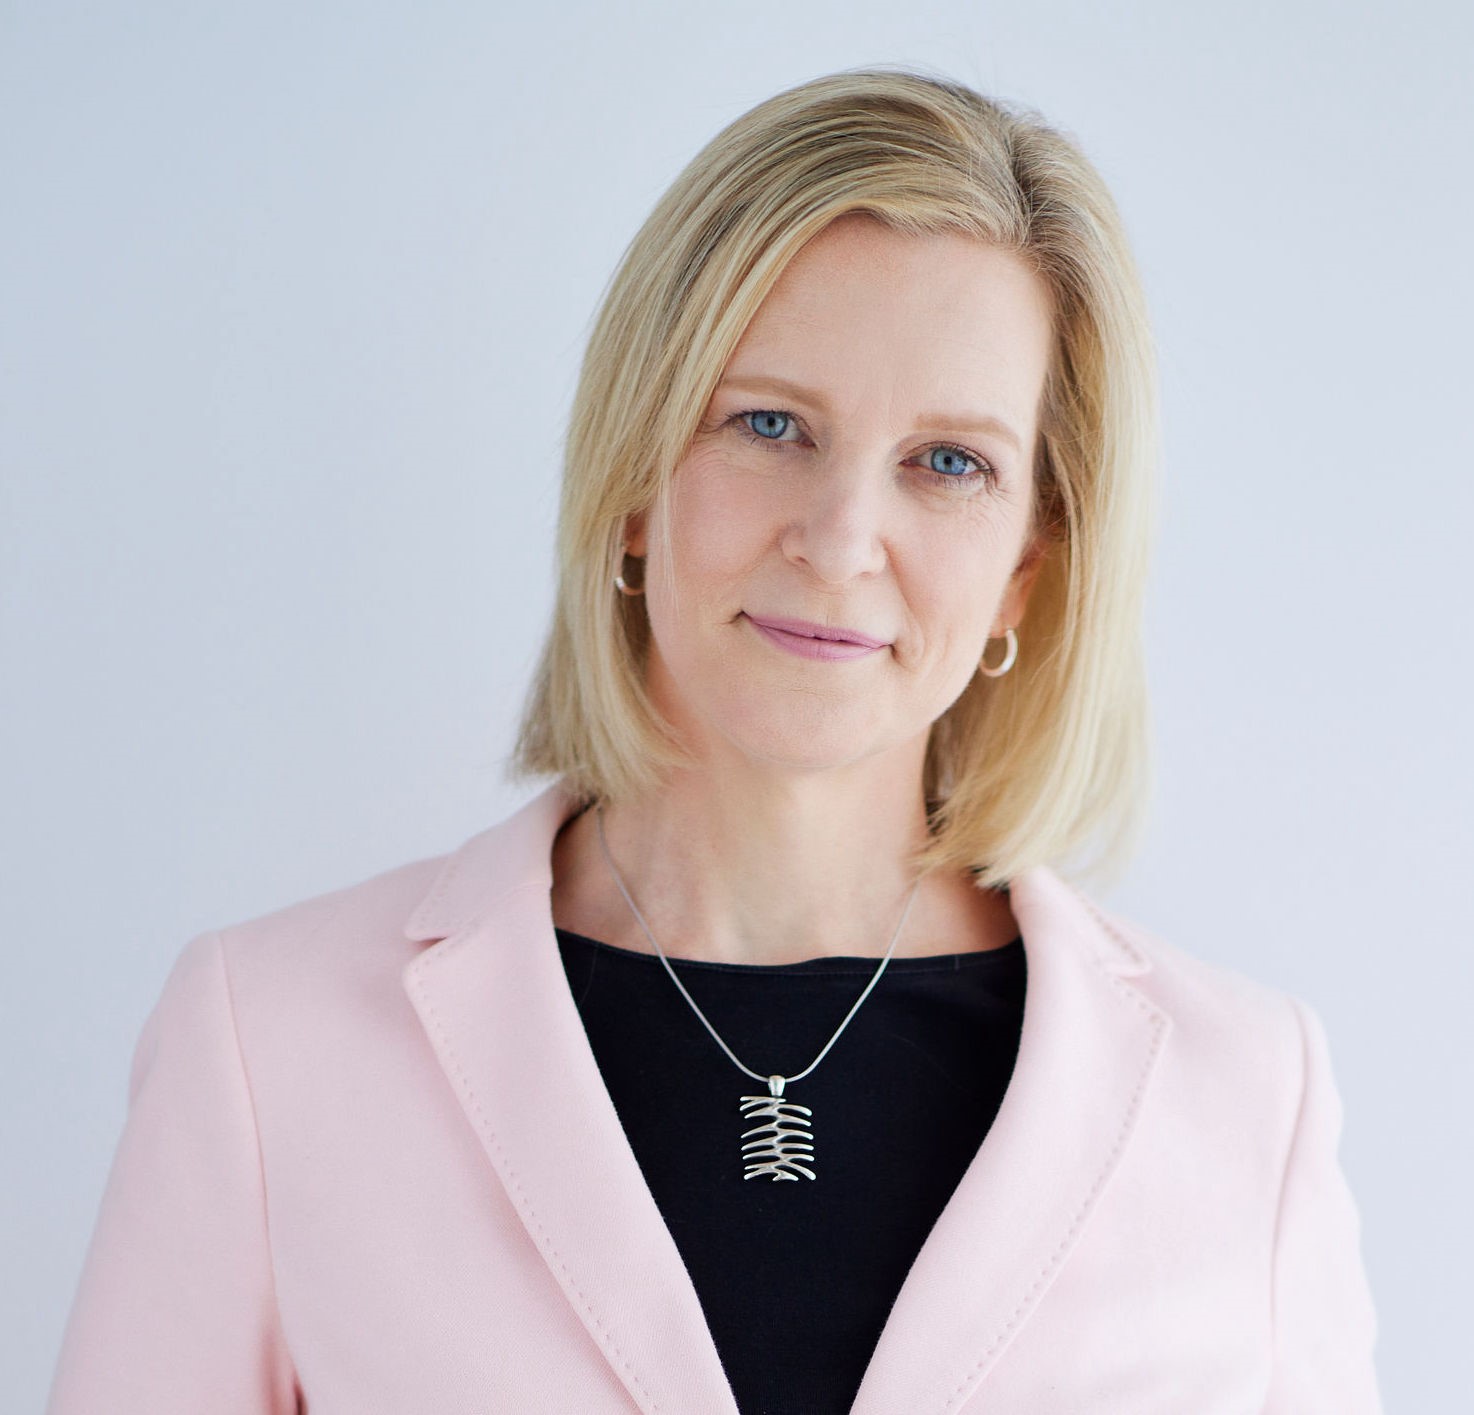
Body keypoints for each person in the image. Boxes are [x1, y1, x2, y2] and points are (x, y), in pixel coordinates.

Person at [47, 67, 1383, 1414]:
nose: (840, 541)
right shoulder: (269, 1042)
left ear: (1024, 571)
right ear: (634, 482)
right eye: (769, 424)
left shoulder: (1244, 1101)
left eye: (949, 462)